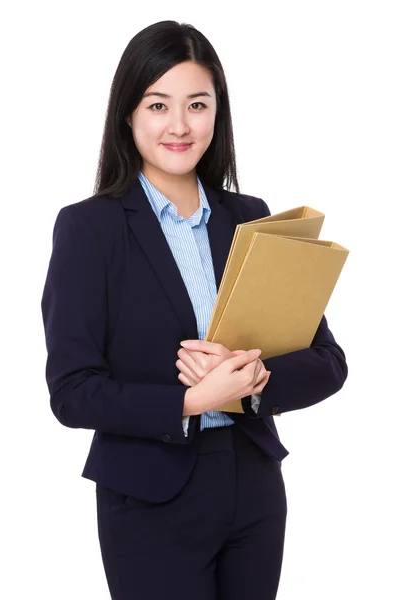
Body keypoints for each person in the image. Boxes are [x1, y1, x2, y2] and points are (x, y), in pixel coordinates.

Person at [40, 20, 348, 600]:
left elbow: (328, 361)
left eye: (197, 104)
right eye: (158, 104)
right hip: (149, 497)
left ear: (217, 113)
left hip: (253, 486)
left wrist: (255, 382)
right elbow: (72, 391)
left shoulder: (250, 218)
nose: (179, 125)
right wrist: (189, 401)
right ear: (128, 114)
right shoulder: (90, 228)